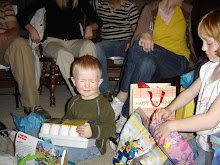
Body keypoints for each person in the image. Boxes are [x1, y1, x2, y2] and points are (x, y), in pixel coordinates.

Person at [110, 0, 196, 133]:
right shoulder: (149, 9)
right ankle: (125, 117)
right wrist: (144, 34)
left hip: (178, 61)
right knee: (145, 64)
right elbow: (136, 40)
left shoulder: (188, 10)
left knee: (139, 47)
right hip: (155, 62)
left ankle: (121, 96)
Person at [153, 8, 220, 165]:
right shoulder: (209, 67)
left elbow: (210, 120)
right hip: (201, 141)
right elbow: (190, 92)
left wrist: (171, 125)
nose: (203, 48)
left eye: (208, 43)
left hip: (215, 152)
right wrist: (170, 109)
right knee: (163, 160)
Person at [16, 0, 103, 96]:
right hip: (52, 42)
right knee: (63, 53)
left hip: (74, 42)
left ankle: (93, 94)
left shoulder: (79, 1)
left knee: (89, 45)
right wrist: (31, 29)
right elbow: (21, 15)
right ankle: (80, 96)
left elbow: (98, 21)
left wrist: (90, 27)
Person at [58, 55, 116, 162]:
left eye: (92, 81)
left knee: (61, 154)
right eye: (82, 81)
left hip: (94, 147)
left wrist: (92, 132)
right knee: (50, 143)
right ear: (74, 82)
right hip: (74, 139)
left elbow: (111, 128)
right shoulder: (73, 102)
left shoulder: (103, 105)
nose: (87, 85)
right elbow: (68, 120)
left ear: (99, 82)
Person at [0, 1, 51, 119]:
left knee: (21, 44)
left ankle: (31, 104)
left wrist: (4, 35)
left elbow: (14, 29)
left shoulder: (4, 6)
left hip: (3, 44)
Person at [91, 0, 139, 101]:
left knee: (133, 51)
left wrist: (132, 41)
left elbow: (136, 30)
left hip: (125, 42)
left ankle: (120, 90)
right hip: (107, 43)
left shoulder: (129, 6)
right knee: (97, 47)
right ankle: (104, 91)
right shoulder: (98, 3)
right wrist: (89, 27)